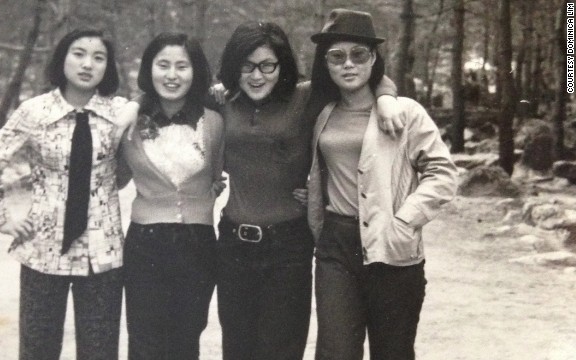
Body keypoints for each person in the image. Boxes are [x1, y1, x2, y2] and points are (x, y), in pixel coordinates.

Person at [212, 21, 401, 360]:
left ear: (282, 66)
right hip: (233, 244)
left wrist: (387, 97)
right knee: (236, 349)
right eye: (247, 66)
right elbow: (167, 88)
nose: (257, 75)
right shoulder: (223, 101)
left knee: (281, 350)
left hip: (288, 246)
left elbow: (364, 75)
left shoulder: (304, 97)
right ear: (234, 67)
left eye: (268, 65)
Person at [306, 9, 458, 360]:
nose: (348, 65)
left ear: (374, 59)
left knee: (392, 351)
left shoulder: (405, 112)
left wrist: (405, 220)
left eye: (359, 55)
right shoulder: (323, 113)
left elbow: (443, 173)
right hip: (336, 245)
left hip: (391, 247)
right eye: (336, 56)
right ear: (326, 63)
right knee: (335, 350)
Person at [0, 29, 127, 360]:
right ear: (62, 58)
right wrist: (1, 218)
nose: (88, 64)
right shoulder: (34, 111)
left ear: (108, 68)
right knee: (37, 350)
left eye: (98, 58)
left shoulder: (120, 114)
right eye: (79, 54)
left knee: (100, 352)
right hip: (43, 250)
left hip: (103, 255)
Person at [116, 32, 225, 360]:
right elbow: (115, 178)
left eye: (182, 66)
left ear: (196, 73)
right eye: (163, 65)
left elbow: (217, 176)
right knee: (145, 342)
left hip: (198, 243)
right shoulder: (130, 122)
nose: (172, 75)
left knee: (185, 341)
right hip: (145, 244)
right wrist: (134, 104)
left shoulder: (216, 122)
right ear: (149, 69)